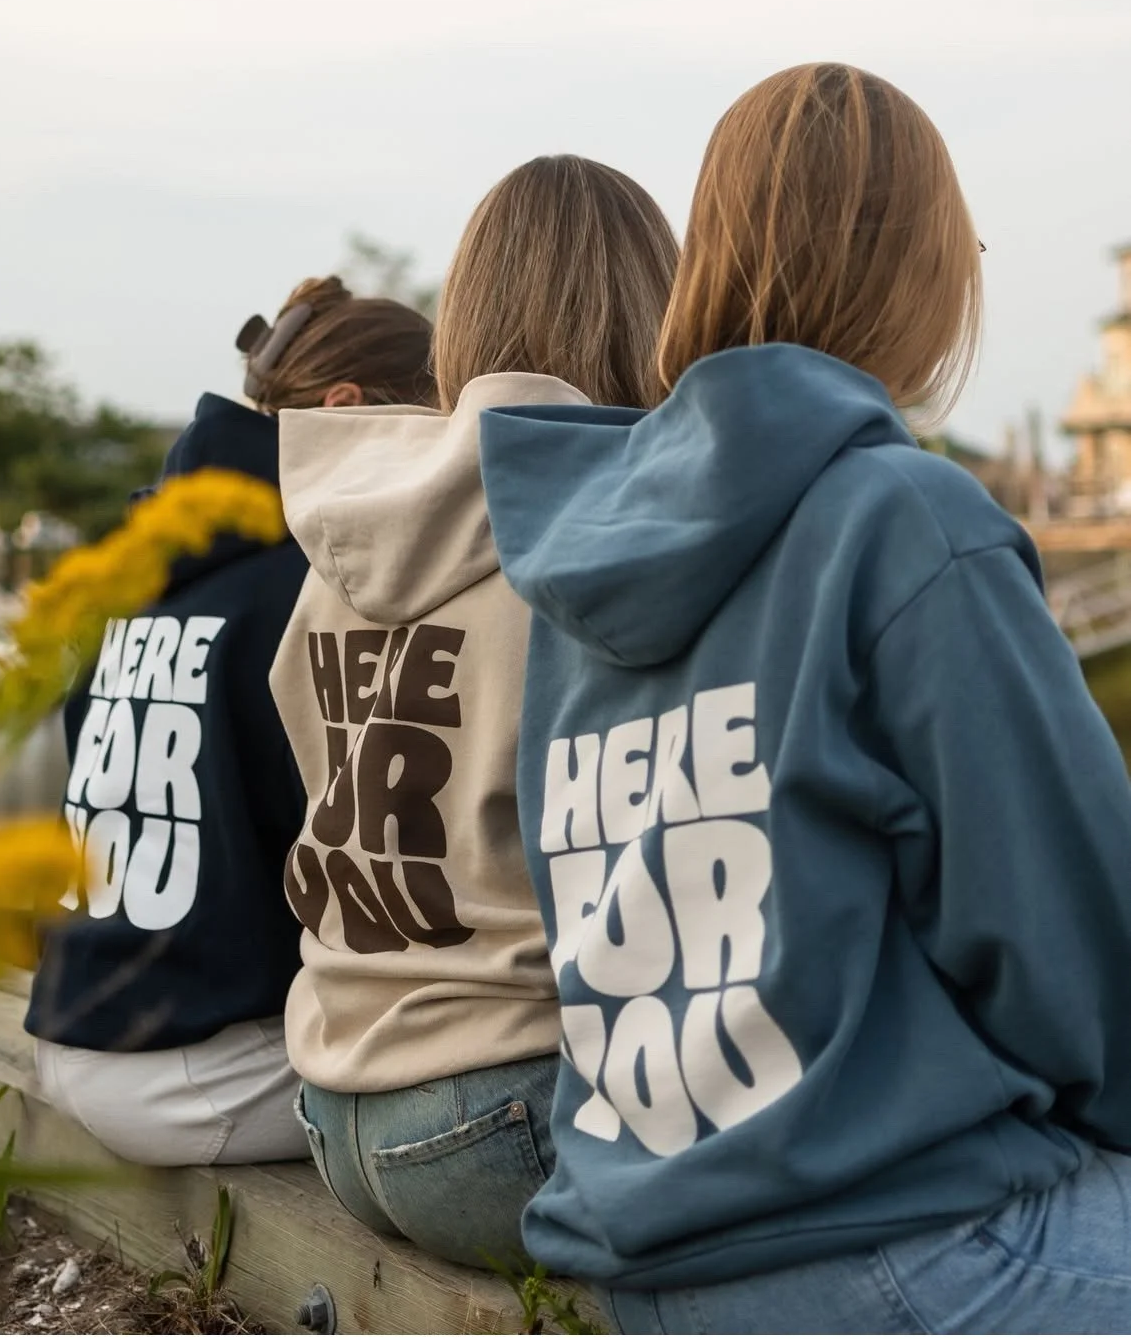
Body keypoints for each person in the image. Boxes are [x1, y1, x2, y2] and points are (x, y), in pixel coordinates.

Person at [478, 64, 1131, 1333]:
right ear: (923, 273)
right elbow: (1073, 946)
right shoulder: (909, 519)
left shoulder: (573, 549)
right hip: (891, 1244)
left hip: (648, 1258)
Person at [272, 156, 678, 1266]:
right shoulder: (606, 537)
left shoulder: (343, 525)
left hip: (334, 1106)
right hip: (507, 1113)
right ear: (653, 308)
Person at [26, 276, 434, 1166]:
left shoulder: (136, 563)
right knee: (480, 1061)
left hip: (73, 1033)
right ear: (345, 408)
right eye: (428, 426)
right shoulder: (309, 586)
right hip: (198, 1071)